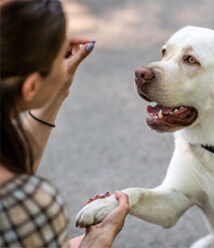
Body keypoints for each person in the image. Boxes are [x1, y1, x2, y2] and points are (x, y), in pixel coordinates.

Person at [0, 0, 130, 247]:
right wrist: (96, 242)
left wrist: (57, 92)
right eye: (59, 54)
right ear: (32, 86)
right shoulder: (27, 207)